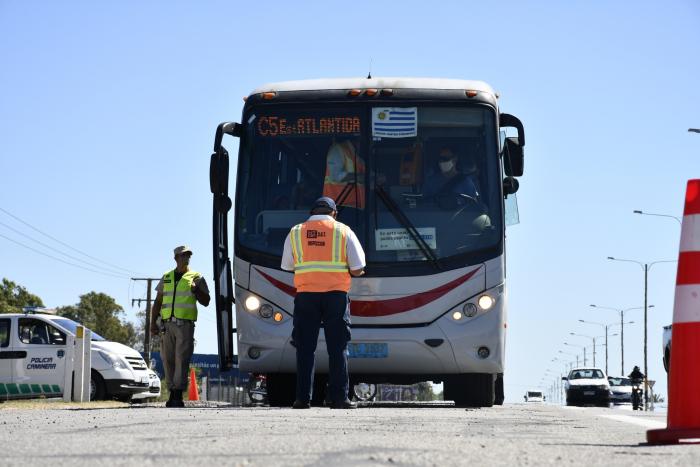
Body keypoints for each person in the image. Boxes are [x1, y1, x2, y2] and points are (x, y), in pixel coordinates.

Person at [281, 196, 366, 409]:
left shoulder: (296, 232)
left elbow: (287, 266)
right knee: (337, 349)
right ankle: (339, 398)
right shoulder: (344, 231)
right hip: (335, 297)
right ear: (334, 213)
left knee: (305, 348)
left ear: (312, 212)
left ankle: (302, 399)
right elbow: (357, 268)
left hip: (306, 296)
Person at [150, 245, 210, 408]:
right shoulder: (167, 277)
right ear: (176, 258)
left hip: (185, 325)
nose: (186, 258)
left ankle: (177, 395)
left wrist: (197, 290)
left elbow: (206, 301)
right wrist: (152, 324)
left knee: (181, 359)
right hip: (167, 325)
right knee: (167, 359)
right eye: (183, 256)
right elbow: (157, 302)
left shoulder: (196, 277)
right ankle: (171, 392)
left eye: (188, 256)